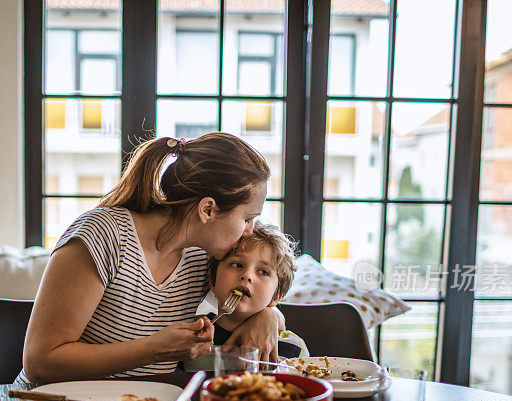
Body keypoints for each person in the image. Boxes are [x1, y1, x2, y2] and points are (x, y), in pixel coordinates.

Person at [19, 132, 284, 384]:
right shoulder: (103, 235)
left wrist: (269, 317)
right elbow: (40, 363)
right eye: (247, 218)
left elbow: (253, 293)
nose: (249, 231)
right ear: (208, 210)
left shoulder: (203, 256)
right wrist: (154, 350)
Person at [207, 221, 309, 359]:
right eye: (237, 264)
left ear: (276, 297)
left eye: (263, 272)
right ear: (212, 281)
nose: (247, 275)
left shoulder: (292, 348)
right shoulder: (193, 334)